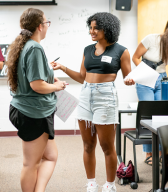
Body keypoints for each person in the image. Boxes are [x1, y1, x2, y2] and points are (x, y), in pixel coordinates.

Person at [52, 12, 134, 192]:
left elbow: (129, 77)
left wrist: (129, 80)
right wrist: (63, 67)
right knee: (88, 144)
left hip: (106, 97)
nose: (92, 31)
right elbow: (82, 77)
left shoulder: (121, 51)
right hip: (85, 95)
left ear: (108, 29)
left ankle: (110, 185)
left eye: (96, 27)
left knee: (107, 146)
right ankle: (91, 183)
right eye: (90, 27)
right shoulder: (88, 50)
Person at [6, 8, 66, 192]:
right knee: (30, 163)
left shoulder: (26, 46)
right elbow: (36, 85)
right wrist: (57, 86)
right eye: (47, 23)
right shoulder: (34, 47)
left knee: (50, 156)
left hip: (35, 110)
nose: (48, 26)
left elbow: (34, 78)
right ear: (40, 26)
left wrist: (50, 78)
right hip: (32, 112)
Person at [132, 17, 168, 165]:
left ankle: (162, 152)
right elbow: (135, 57)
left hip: (162, 80)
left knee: (162, 115)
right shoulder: (151, 39)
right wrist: (145, 73)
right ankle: (149, 154)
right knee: (148, 115)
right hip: (145, 78)